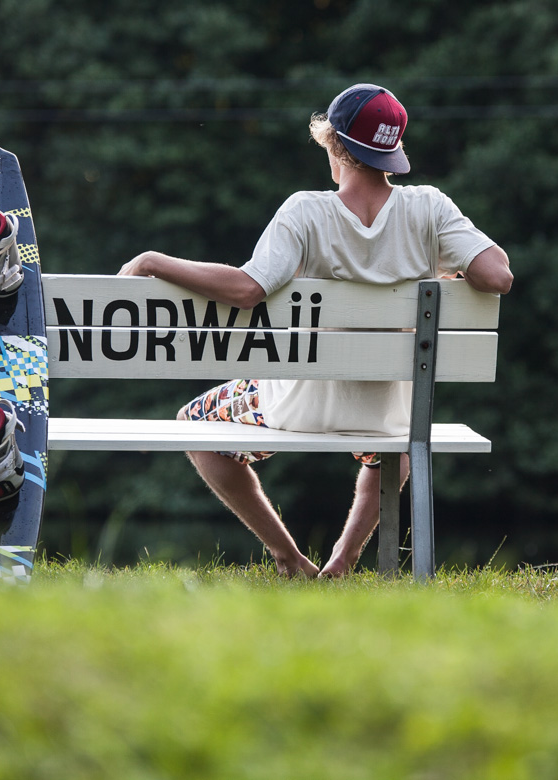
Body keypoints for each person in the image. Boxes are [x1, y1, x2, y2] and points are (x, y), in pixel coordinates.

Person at [120, 83, 513, 577]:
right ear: (392, 151)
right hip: (386, 415)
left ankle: (287, 556)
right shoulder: (429, 209)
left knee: (194, 425)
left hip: (297, 408)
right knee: (397, 448)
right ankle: (343, 559)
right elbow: (497, 276)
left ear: (334, 144)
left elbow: (247, 289)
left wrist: (153, 261)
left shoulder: (306, 211)